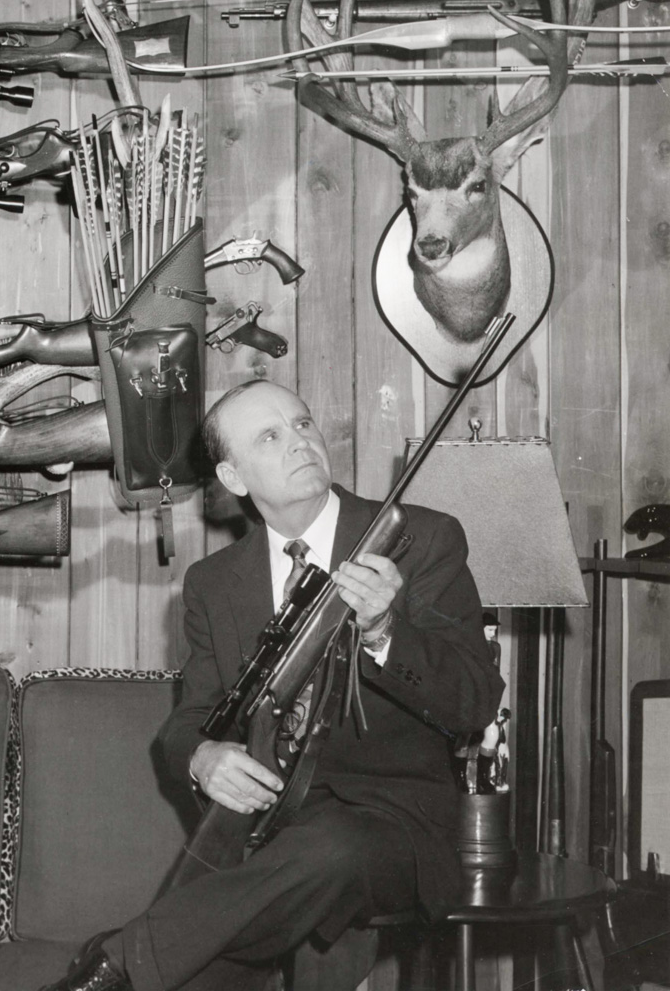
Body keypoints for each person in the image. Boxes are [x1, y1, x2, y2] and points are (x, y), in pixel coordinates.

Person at [42, 380, 505, 991]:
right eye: (270, 436)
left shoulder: (424, 539)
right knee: (201, 960)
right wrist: (204, 758)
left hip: (392, 828)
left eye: (303, 424)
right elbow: (189, 722)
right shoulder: (213, 582)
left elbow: (475, 702)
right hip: (266, 837)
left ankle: (116, 962)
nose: (299, 442)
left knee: (328, 850)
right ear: (232, 477)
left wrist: (386, 630)